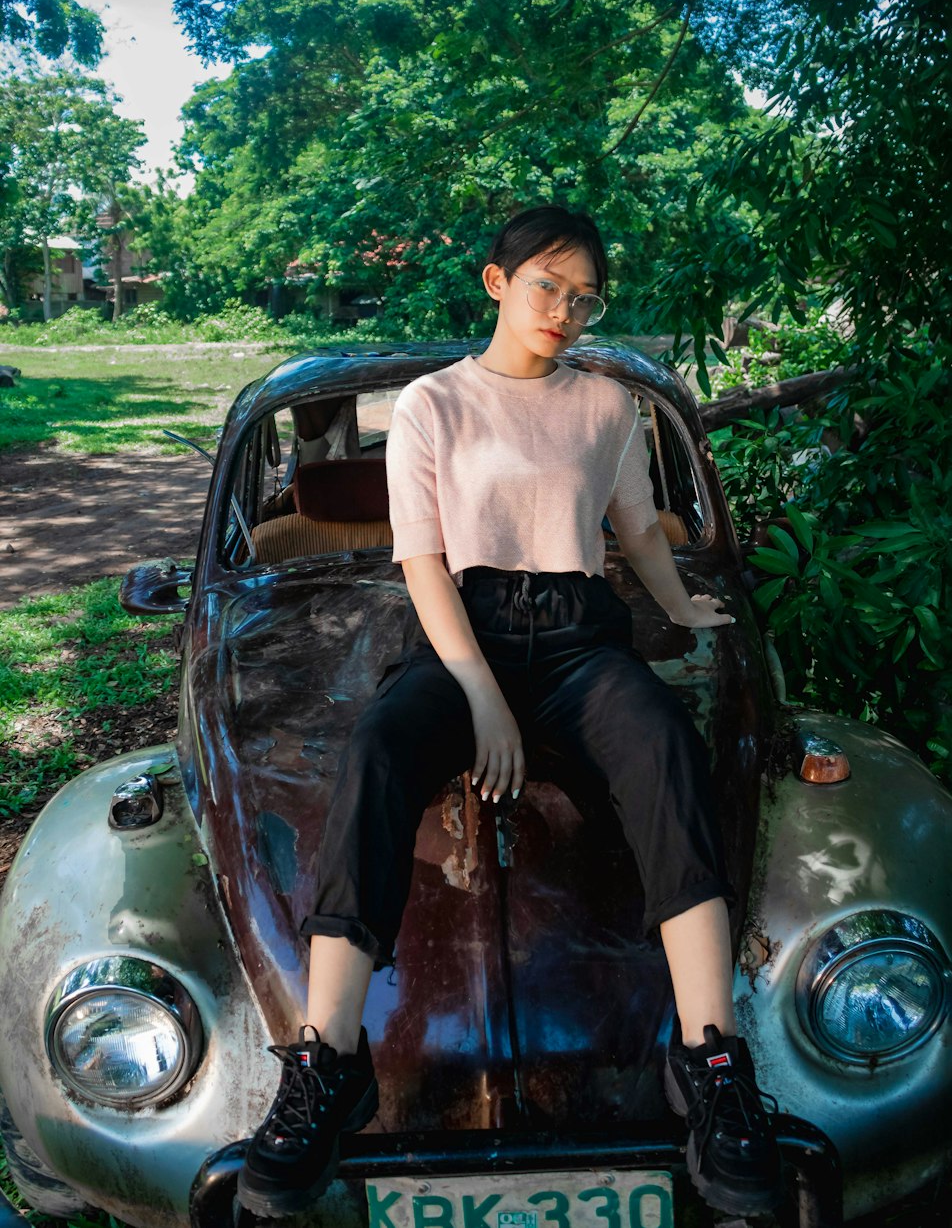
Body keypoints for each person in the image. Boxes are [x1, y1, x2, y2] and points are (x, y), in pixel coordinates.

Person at [237, 206, 783, 1220]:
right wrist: (483, 695)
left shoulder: (607, 405)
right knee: (378, 748)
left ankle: (711, 1062)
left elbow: (634, 527)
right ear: (496, 281)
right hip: (462, 631)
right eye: (547, 285)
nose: (565, 310)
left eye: (585, 296)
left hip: (580, 636)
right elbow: (421, 560)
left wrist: (676, 603)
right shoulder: (433, 405)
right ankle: (325, 1062)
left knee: (665, 742)